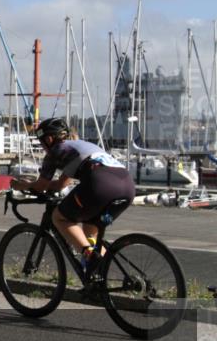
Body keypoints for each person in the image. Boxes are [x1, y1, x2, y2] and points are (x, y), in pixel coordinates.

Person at [11, 117, 135, 276]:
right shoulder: (81, 147)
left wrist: (21, 185)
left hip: (100, 184)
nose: (42, 148)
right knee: (90, 232)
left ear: (49, 139)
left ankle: (89, 257)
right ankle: (99, 279)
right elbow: (60, 184)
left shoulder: (55, 152)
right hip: (127, 186)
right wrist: (40, 185)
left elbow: (41, 186)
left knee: (59, 217)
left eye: (42, 143)